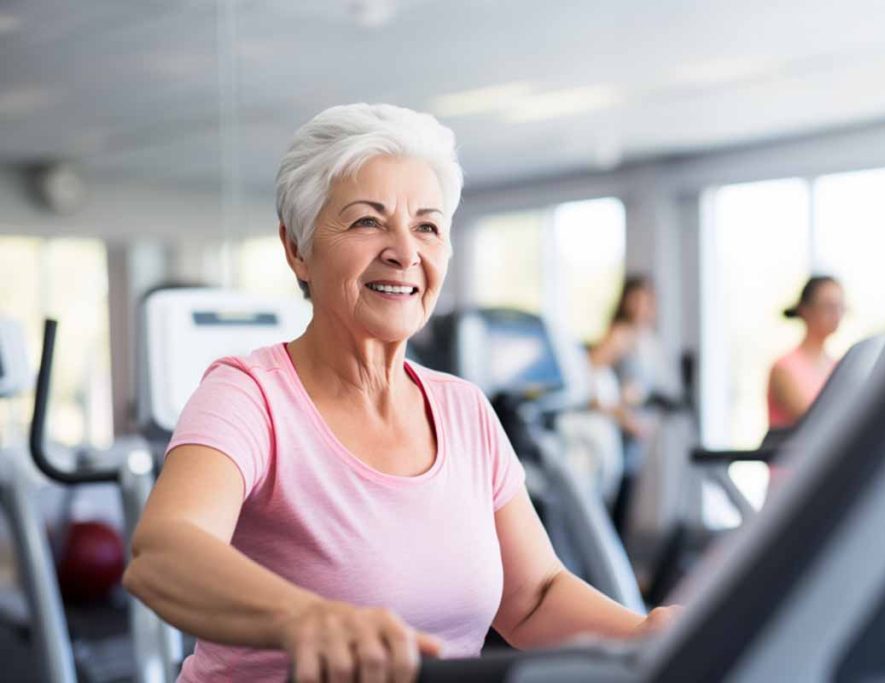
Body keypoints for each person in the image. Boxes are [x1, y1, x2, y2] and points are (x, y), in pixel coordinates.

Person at [123, 104, 675, 683]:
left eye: (427, 226)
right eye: (367, 221)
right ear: (297, 250)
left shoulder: (465, 410)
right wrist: (306, 618)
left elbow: (532, 597)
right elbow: (164, 553)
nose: (405, 251)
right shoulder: (248, 396)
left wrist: (643, 636)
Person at [588, 275, 677, 535]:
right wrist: (619, 409)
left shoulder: (648, 341)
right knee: (608, 510)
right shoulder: (619, 336)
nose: (640, 306)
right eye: (635, 298)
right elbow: (586, 380)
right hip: (615, 433)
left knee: (626, 506)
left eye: (646, 300)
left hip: (636, 435)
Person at [767, 275, 846, 431]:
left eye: (840, 307)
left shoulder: (838, 365)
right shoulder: (784, 368)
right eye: (828, 307)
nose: (836, 315)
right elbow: (812, 420)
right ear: (806, 310)